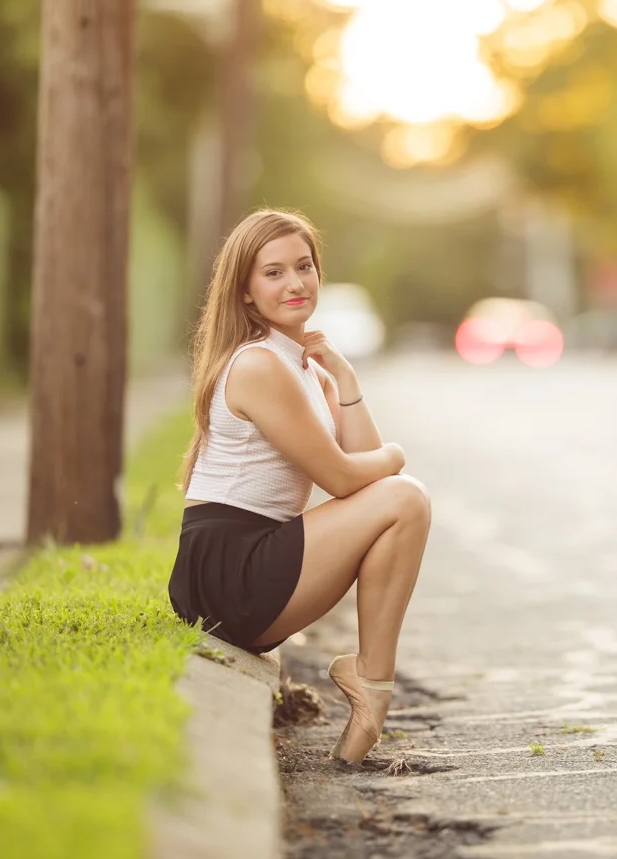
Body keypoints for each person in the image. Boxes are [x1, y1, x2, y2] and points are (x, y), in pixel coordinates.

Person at [168, 208, 430, 765]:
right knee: (406, 497)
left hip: (253, 564)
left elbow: (362, 475)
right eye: (273, 272)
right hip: (227, 572)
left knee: (401, 503)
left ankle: (369, 683)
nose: (294, 283)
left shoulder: (309, 371)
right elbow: (348, 476)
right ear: (245, 292)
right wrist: (396, 455)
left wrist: (347, 381)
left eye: (304, 267)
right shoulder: (258, 365)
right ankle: (372, 686)